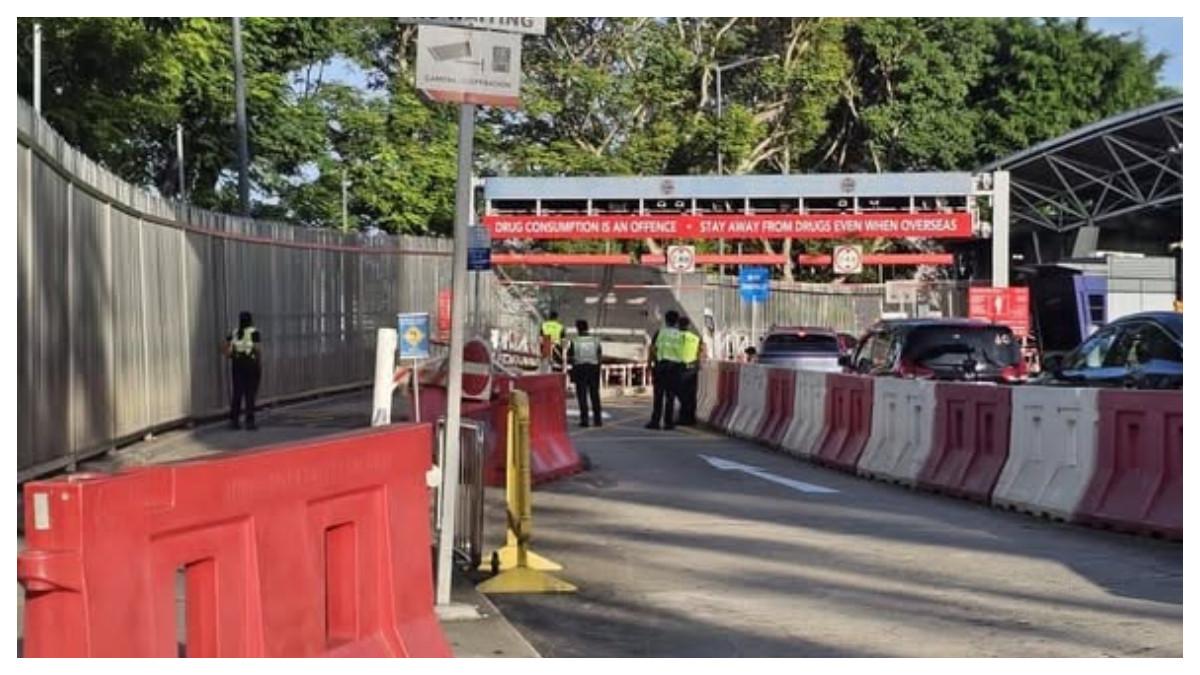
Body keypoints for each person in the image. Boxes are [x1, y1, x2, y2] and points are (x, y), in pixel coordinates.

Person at [223, 311, 262, 430]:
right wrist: (258, 365)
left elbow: (225, 346)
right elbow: (258, 349)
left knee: (237, 393)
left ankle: (234, 421)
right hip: (250, 364)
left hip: (237, 364)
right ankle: (249, 422)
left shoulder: (234, 333)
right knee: (250, 393)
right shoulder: (254, 332)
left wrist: (229, 355)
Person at [646, 310, 683, 430]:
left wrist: (649, 364)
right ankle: (668, 423)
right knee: (670, 396)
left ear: (665, 320)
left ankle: (655, 421)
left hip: (661, 366)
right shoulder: (680, 335)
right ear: (677, 321)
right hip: (675, 368)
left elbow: (652, 349)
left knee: (658, 396)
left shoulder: (660, 333)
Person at [567, 319, 603, 428]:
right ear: (587, 327)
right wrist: (597, 366)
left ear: (578, 329)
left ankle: (585, 420)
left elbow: (570, 356)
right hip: (593, 368)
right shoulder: (595, 340)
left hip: (580, 369)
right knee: (594, 394)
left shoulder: (575, 341)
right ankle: (598, 420)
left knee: (582, 395)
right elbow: (600, 354)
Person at [676, 316, 702, 426]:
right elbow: (700, 352)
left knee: (681, 394)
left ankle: (683, 417)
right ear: (689, 325)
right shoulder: (695, 338)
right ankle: (691, 418)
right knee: (691, 395)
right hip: (692, 368)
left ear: (678, 325)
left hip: (679, 368)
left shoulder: (675, 337)